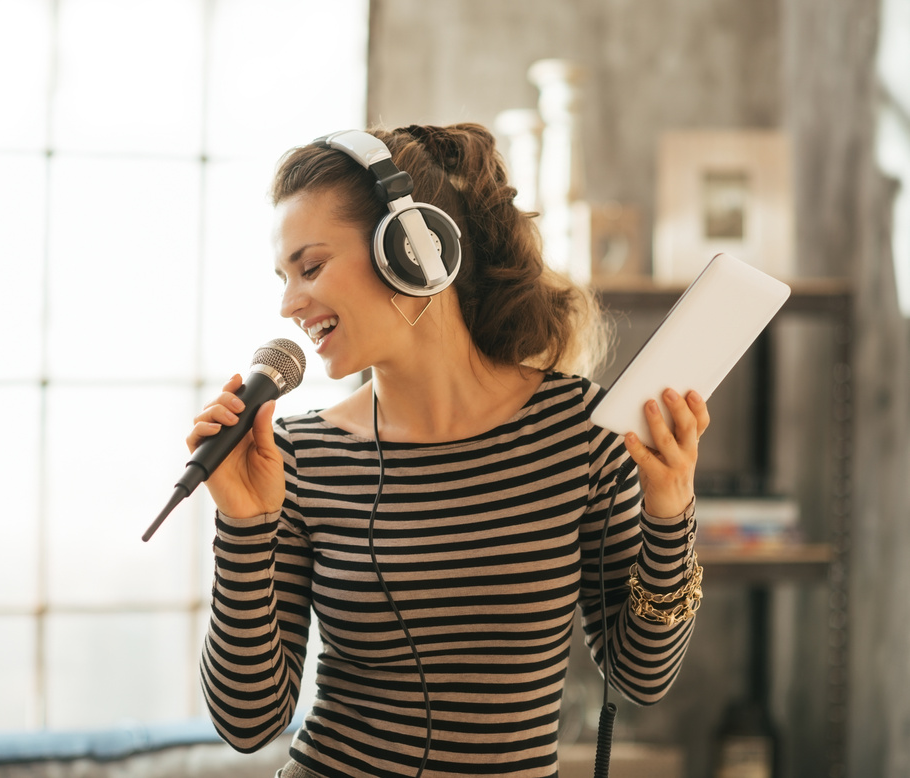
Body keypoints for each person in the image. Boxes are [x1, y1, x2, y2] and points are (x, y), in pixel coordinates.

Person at [189, 123, 710, 778]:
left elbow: (641, 675)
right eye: (283, 276)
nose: (290, 304)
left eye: (311, 266)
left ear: (413, 248)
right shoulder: (296, 457)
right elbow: (248, 723)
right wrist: (242, 526)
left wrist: (671, 514)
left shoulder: (580, 430)